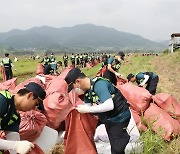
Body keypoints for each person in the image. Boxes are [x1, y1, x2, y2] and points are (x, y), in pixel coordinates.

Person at [65, 68, 131, 154]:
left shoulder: (99, 85)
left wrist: (88, 109)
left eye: (73, 87)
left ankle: (122, 137)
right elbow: (88, 108)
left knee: (117, 149)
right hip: (107, 116)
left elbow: (109, 105)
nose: (74, 90)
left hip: (119, 117)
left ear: (78, 81)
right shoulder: (87, 92)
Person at [0, 82, 46, 154]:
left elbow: (13, 147)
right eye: (35, 104)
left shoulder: (14, 117)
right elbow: (14, 145)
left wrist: (17, 147)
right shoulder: (2, 101)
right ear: (29, 95)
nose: (33, 109)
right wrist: (15, 145)